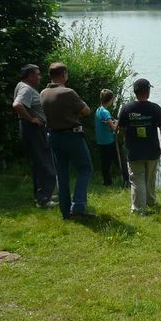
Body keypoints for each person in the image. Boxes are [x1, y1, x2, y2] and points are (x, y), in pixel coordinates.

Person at [40, 62, 94, 219]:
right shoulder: (67, 92)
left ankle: (65, 210)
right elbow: (86, 110)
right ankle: (78, 205)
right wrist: (73, 117)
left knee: (62, 174)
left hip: (53, 136)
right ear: (63, 74)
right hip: (71, 135)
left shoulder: (43, 93)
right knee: (85, 169)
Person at [118, 78, 161, 214]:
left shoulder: (126, 108)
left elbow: (120, 129)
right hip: (152, 150)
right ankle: (150, 202)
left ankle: (139, 208)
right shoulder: (155, 108)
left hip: (134, 151)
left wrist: (120, 141)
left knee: (136, 178)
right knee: (150, 177)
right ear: (147, 91)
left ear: (135, 92)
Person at [12, 64, 57, 208]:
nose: (39, 77)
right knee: (44, 163)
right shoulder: (25, 88)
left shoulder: (23, 87)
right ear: (30, 76)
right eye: (37, 74)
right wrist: (31, 119)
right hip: (33, 129)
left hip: (32, 129)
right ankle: (44, 199)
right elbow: (17, 105)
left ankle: (41, 196)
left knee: (38, 163)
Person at [95, 89, 118, 186]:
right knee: (111, 162)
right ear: (110, 99)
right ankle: (110, 182)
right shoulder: (106, 112)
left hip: (101, 141)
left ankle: (107, 182)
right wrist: (116, 122)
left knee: (105, 163)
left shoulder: (99, 110)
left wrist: (111, 122)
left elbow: (105, 123)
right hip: (108, 141)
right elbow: (113, 128)